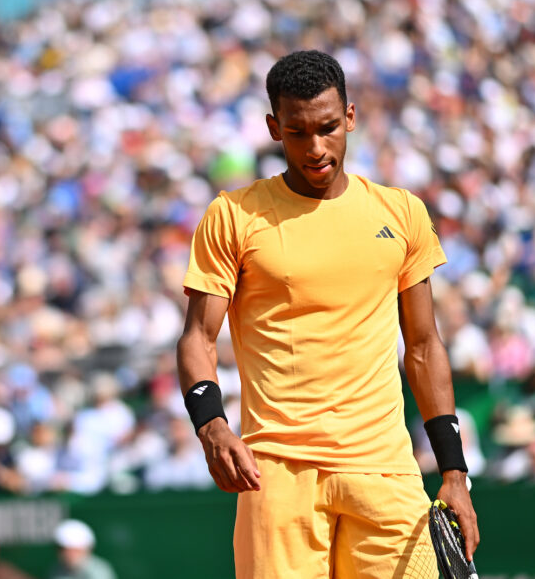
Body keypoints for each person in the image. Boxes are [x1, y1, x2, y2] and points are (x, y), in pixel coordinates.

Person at [178, 50, 477, 579]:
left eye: (328, 128)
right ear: (274, 128)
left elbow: (425, 345)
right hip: (277, 473)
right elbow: (198, 338)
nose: (316, 148)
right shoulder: (232, 215)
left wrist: (454, 471)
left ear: (351, 117)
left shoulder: (402, 212)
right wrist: (212, 427)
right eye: (297, 132)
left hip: (386, 471)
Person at [49, 519, 116, 579]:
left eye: (75, 550)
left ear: (87, 549)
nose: (69, 555)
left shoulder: (100, 571)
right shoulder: (57, 570)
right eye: (63, 550)